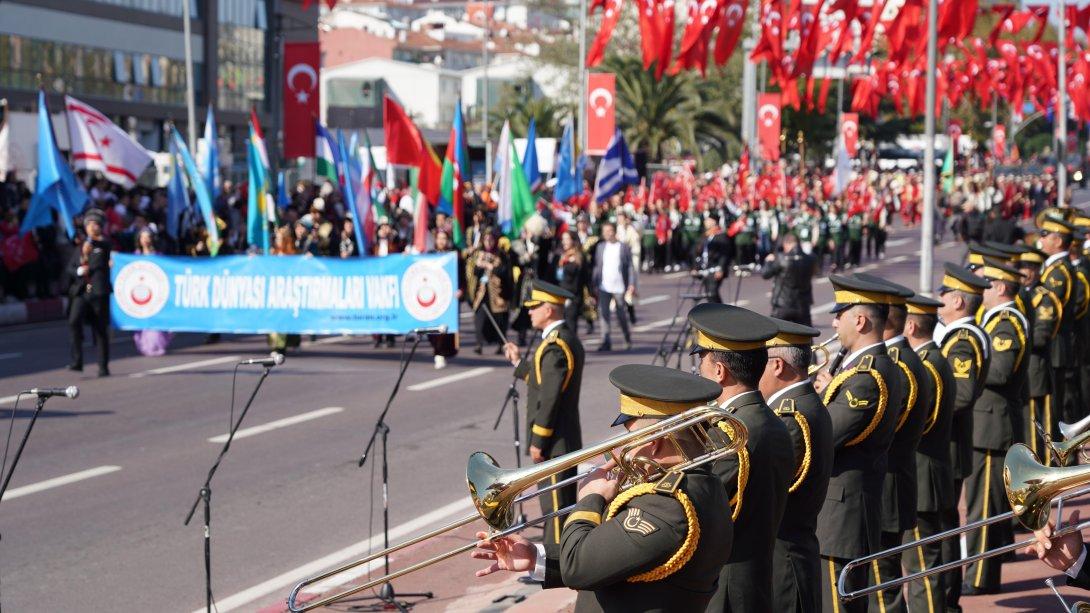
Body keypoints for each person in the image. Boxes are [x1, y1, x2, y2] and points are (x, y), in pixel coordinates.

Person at [471, 364, 733, 612]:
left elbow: (580, 567)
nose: (619, 449)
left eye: (628, 436)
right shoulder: (701, 483)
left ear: (654, 443)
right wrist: (535, 556)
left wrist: (590, 498)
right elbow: (614, 555)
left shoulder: (667, 506)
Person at [688, 303, 794, 613]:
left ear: (719, 371)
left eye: (702, 362)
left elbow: (694, 503)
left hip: (726, 587)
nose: (699, 371)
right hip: (753, 576)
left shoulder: (731, 433)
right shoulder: (771, 420)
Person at [811, 275, 902, 613]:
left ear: (859, 320)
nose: (834, 322)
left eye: (840, 314)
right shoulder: (868, 370)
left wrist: (818, 397)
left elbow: (823, 435)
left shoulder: (865, 378)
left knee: (838, 604)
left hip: (842, 513)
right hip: (845, 509)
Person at [852, 274, 928, 613]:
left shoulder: (898, 366)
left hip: (889, 483)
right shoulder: (902, 361)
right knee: (883, 578)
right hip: (892, 480)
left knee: (883, 585)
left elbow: (883, 427)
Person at [502, 280, 584, 559]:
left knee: (556, 508)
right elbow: (542, 381)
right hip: (561, 436)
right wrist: (518, 363)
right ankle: (559, 562)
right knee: (557, 504)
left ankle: (558, 563)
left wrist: (539, 440)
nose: (529, 312)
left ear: (548, 310)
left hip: (555, 439)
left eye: (534, 307)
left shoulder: (556, 346)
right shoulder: (559, 341)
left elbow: (549, 399)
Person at [962, 258, 1028, 595]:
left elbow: (1000, 371)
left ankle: (979, 578)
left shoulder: (1005, 322)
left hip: (992, 422)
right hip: (989, 420)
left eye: (988, 283)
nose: (982, 289)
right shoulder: (994, 318)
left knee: (982, 505)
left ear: (1001, 288)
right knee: (987, 501)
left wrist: (962, 369)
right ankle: (990, 562)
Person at [759, 317, 833, 613]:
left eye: (759, 362)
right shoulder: (805, 404)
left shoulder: (790, 419)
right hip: (789, 558)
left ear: (777, 366)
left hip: (784, 563)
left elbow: (760, 495)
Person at [934, 263, 991, 610]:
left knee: (942, 529)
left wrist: (920, 411)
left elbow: (962, 393)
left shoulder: (964, 340)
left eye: (944, 294)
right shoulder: (959, 335)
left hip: (948, 443)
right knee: (943, 527)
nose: (940, 299)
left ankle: (946, 598)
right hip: (951, 442)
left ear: (957, 301)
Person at [902, 293, 957, 613]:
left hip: (924, 473)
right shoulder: (932, 359)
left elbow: (920, 425)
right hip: (930, 471)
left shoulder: (927, 366)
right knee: (931, 557)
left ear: (910, 325)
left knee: (923, 562)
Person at [1017, 246, 1061, 464]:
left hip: (1035, 371)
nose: (1024, 272)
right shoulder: (1018, 294)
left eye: (1029, 268)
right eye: (1021, 267)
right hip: (1022, 372)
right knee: (1024, 427)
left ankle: (1044, 474)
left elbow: (1042, 336)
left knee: (1038, 428)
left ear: (1036, 270)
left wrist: (1017, 342)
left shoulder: (1043, 298)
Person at [1039, 215, 1080, 428]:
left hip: (1055, 347)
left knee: (1055, 409)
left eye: (1045, 235)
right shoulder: (1057, 268)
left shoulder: (1058, 273)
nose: (1041, 239)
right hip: (1058, 346)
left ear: (1057, 240)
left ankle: (1059, 457)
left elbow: (1048, 311)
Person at [67, 209, 112, 377]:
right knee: (74, 321)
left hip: (99, 292)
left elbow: (106, 250)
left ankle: (103, 366)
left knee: (100, 330)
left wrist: (93, 244)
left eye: (96, 224)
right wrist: (79, 268)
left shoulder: (104, 245)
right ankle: (76, 361)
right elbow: (70, 268)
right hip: (82, 291)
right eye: (89, 224)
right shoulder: (81, 247)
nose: (92, 227)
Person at [466, 227, 513, 355]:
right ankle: (479, 343)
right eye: (486, 239)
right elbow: (474, 273)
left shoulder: (502, 254)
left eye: (491, 239)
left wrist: (490, 266)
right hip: (482, 292)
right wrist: (479, 265)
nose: (488, 242)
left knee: (499, 320)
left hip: (498, 293)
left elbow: (504, 272)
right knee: (480, 317)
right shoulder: (479, 254)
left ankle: (501, 344)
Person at [592, 221, 635, 352]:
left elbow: (629, 266)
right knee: (604, 314)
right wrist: (594, 283)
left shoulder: (622, 247)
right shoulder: (600, 247)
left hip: (619, 286)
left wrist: (631, 284)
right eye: (604, 231)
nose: (607, 233)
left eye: (609, 231)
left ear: (614, 232)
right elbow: (597, 266)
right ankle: (606, 341)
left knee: (621, 314)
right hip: (604, 286)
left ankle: (627, 337)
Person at [132, 228, 173, 357]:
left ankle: (156, 344)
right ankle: (144, 343)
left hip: (156, 292)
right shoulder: (135, 256)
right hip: (140, 292)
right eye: (143, 237)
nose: (146, 240)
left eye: (148, 237)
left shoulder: (159, 256)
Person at [761, 233, 815, 326]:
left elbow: (765, 274)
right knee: (805, 336)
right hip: (802, 304)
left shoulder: (781, 258)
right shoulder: (810, 258)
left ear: (786, 244)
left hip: (783, 304)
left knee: (775, 336)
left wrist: (768, 261)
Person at [552, 230, 587, 333]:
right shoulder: (560, 256)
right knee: (560, 325)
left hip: (573, 295)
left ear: (573, 240)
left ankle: (571, 348)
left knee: (571, 325)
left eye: (567, 239)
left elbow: (585, 277)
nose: (564, 242)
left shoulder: (579, 257)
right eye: (563, 239)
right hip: (559, 294)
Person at [694, 217, 733, 303]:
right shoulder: (704, 237)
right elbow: (697, 253)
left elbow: (724, 255)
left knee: (712, 292)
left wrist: (721, 268)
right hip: (705, 269)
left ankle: (721, 312)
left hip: (715, 269)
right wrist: (695, 267)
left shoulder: (721, 237)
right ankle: (714, 313)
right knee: (708, 294)